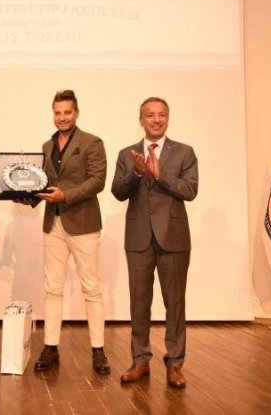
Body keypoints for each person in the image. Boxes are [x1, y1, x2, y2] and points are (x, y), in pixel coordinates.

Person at [18, 89, 109, 374]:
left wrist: (65, 196)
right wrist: (29, 197)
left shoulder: (92, 142)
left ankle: (98, 350)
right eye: (58, 113)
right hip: (53, 224)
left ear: (76, 113)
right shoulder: (46, 146)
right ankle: (50, 347)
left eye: (67, 112)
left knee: (91, 288)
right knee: (52, 288)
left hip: (83, 224)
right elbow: (43, 182)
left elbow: (98, 181)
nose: (62, 117)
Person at [111, 97, 198, 389]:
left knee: (175, 303)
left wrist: (161, 175)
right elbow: (117, 191)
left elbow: (191, 190)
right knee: (139, 302)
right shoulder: (127, 154)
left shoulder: (184, 152)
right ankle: (140, 360)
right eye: (150, 115)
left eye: (161, 115)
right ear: (141, 120)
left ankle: (175, 364)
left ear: (168, 118)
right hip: (138, 238)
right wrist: (136, 172)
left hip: (174, 238)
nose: (156, 120)